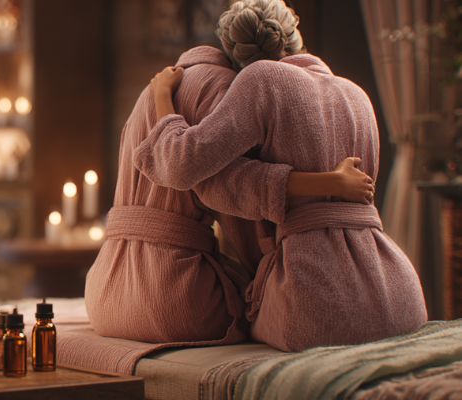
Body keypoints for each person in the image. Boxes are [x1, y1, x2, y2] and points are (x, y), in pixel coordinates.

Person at [136, 0, 427, 351]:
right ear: (295, 37)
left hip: (315, 303)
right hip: (401, 297)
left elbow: (181, 165)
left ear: (234, 56)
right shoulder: (357, 94)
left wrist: (162, 98)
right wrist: (327, 183)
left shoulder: (262, 79)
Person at [84, 46, 374, 344]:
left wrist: (162, 96)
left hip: (102, 291)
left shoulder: (152, 90)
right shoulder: (224, 91)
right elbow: (237, 204)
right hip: (178, 300)